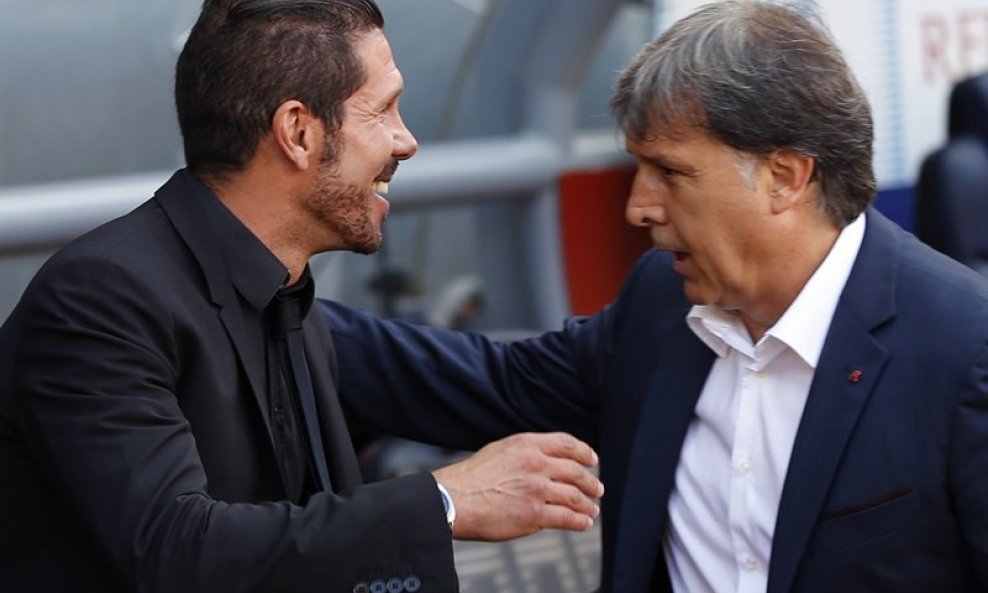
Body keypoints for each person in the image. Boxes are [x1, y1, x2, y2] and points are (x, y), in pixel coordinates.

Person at [320, 1, 988, 591]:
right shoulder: (661, 303)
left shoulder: (963, 349)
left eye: (670, 171)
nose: (639, 207)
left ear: (785, 177)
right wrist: (262, 294)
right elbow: (479, 383)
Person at [0, 1, 604, 592]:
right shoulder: (101, 300)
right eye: (385, 109)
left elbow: (502, 380)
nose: (406, 141)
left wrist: (680, 297)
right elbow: (173, 548)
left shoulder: (290, 303)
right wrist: (445, 501)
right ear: (298, 132)